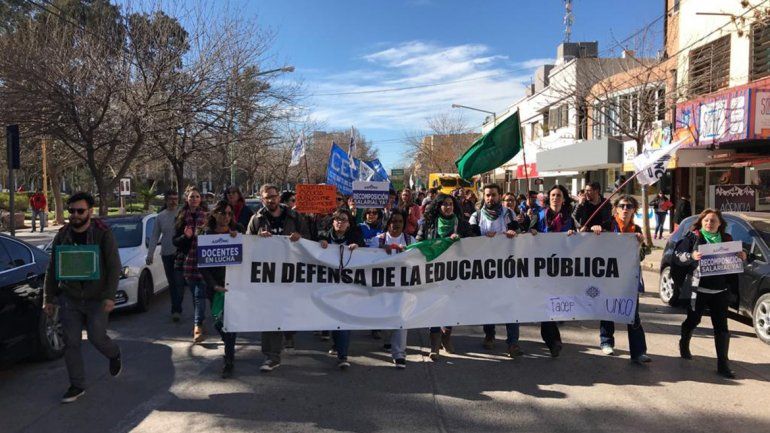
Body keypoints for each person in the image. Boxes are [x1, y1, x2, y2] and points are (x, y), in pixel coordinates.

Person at [43, 192, 122, 403]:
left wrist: (109, 296)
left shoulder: (103, 234)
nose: (75, 215)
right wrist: (48, 298)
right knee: (71, 343)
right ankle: (77, 385)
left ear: (90, 212)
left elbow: (114, 266)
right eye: (72, 211)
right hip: (70, 299)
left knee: (97, 338)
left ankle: (114, 354)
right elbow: (52, 269)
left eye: (80, 211)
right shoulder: (62, 235)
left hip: (97, 299)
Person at [676, 209, 746, 378]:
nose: (709, 223)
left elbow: (740, 258)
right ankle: (684, 342)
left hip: (720, 291)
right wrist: (691, 255)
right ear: (701, 222)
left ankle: (723, 364)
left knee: (722, 328)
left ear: (720, 223)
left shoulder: (728, 240)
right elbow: (678, 256)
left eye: (713, 221)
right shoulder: (693, 237)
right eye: (706, 220)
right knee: (694, 320)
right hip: (698, 290)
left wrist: (744, 255)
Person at [247, 183, 309, 372]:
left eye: (274, 196)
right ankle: (271, 356)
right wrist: (257, 237)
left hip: (292, 273)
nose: (271, 200)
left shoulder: (294, 216)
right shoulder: (256, 219)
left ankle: (288, 333)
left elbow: (309, 240)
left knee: (290, 312)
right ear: (262, 199)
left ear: (279, 197)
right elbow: (247, 243)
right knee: (270, 314)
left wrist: (300, 237)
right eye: (267, 197)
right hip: (268, 275)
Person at [588, 195, 652, 364]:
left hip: (629, 278)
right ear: (615, 208)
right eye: (622, 206)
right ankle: (606, 341)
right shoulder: (607, 226)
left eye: (629, 206)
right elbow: (591, 246)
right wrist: (595, 231)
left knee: (633, 313)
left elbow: (642, 256)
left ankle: (638, 352)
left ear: (634, 210)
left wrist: (641, 244)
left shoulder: (636, 229)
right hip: (608, 276)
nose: (625, 209)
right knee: (608, 308)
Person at [469, 184, 523, 357]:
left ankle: (513, 342)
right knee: (489, 303)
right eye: (487, 195)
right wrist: (483, 239)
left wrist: (513, 232)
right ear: (483, 197)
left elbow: (518, 231)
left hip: (507, 268)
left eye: (493, 195)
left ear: (500, 196)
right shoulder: (476, 216)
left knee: (511, 303)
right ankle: (489, 335)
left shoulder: (509, 214)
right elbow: (471, 238)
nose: (490, 198)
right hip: (485, 269)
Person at [417, 193, 472, 360]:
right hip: (433, 271)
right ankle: (434, 345)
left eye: (451, 204)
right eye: (444, 204)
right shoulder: (428, 223)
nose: (448, 207)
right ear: (438, 206)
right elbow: (419, 241)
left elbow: (473, 242)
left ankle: (446, 336)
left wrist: (460, 239)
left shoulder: (461, 224)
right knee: (435, 305)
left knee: (450, 305)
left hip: (454, 272)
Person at [529, 184, 577, 357]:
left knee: (554, 303)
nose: (555, 198)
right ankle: (554, 341)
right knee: (546, 302)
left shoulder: (569, 219)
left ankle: (551, 339)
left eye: (559, 195)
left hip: (561, 268)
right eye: (553, 195)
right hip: (542, 267)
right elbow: (529, 235)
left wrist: (573, 235)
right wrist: (532, 231)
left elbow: (576, 243)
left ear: (564, 199)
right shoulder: (539, 215)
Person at [199, 200, 244, 378]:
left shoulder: (237, 232)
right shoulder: (206, 235)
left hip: (234, 287)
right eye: (223, 213)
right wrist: (213, 285)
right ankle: (228, 342)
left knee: (229, 324)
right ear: (214, 214)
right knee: (218, 321)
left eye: (229, 214)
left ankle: (229, 360)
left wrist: (238, 238)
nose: (226, 217)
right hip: (214, 287)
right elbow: (203, 266)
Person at [318, 208, 366, 369]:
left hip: (347, 287)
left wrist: (358, 247)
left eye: (344, 219)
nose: (340, 222)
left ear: (349, 223)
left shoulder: (355, 237)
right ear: (332, 222)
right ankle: (336, 343)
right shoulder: (323, 236)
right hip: (327, 286)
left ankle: (343, 355)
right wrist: (319, 244)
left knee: (343, 320)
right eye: (337, 219)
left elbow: (367, 254)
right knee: (332, 318)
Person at [374, 209, 413, 368]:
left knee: (401, 318)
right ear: (387, 223)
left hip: (403, 287)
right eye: (393, 221)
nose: (396, 224)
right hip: (381, 287)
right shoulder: (378, 240)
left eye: (399, 221)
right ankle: (387, 340)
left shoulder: (411, 240)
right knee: (384, 318)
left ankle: (399, 354)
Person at [172, 186, 209, 344]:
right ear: (187, 199)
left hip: (204, 260)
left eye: (197, 196)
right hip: (187, 262)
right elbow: (175, 241)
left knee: (199, 294)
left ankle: (197, 326)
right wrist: (185, 237)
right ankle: (199, 319)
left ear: (201, 199)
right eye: (191, 196)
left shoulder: (207, 216)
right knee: (195, 295)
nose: (194, 199)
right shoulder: (181, 216)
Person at [146, 190, 185, 322]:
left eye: (175, 198)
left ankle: (177, 308)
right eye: (171, 199)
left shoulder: (182, 214)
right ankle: (176, 310)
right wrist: (150, 254)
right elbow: (154, 236)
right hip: (166, 254)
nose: (173, 201)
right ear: (166, 200)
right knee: (172, 283)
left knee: (179, 282)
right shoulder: (160, 217)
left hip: (180, 253)